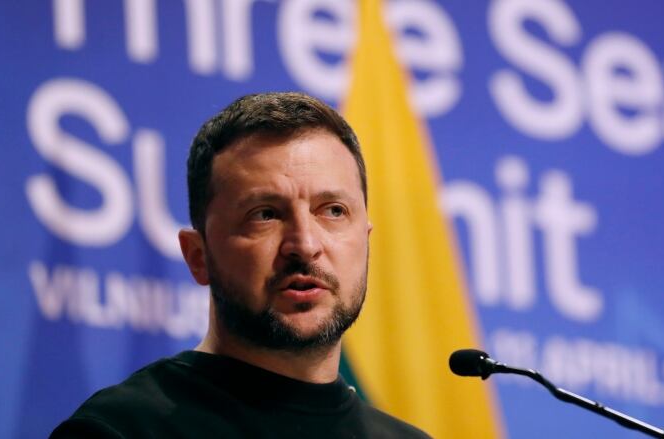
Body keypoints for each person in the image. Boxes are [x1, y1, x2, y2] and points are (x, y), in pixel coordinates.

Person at [50, 92, 430, 438]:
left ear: (365, 240)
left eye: (333, 210)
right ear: (198, 257)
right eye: (265, 214)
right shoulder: (121, 430)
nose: (305, 244)